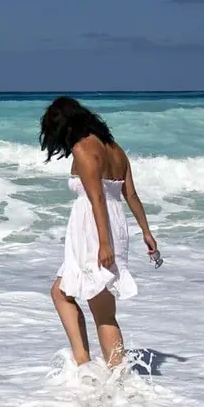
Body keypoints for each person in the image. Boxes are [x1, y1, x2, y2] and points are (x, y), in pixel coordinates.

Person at [40, 96, 158, 370]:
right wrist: (146, 232)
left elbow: (97, 200)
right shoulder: (116, 150)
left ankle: (99, 371)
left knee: (92, 305)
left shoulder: (84, 150)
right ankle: (103, 371)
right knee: (75, 297)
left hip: (96, 230)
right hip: (114, 226)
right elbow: (131, 195)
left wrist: (104, 244)